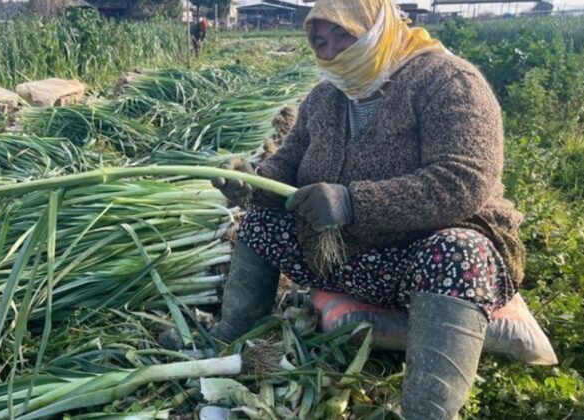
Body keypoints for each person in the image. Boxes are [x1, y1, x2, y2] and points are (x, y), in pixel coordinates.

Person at [170, 0, 527, 417]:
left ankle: (428, 410)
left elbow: (464, 179)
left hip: (426, 261)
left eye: (344, 33)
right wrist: (249, 180)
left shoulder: (447, 81)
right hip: (346, 257)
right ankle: (230, 336)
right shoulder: (326, 96)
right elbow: (286, 166)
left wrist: (352, 201)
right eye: (321, 40)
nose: (333, 50)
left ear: (378, 26)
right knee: (260, 224)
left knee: (458, 251)